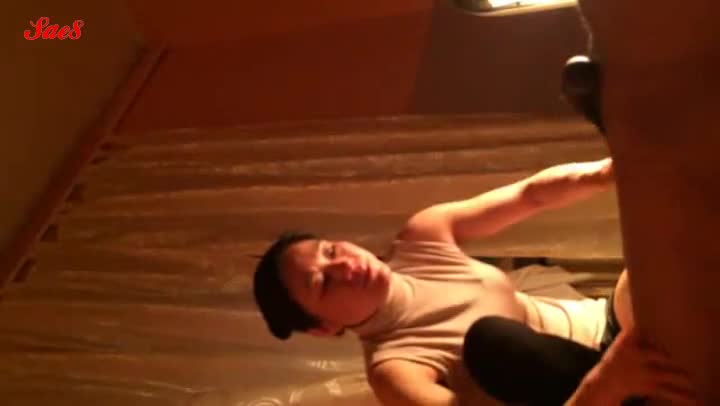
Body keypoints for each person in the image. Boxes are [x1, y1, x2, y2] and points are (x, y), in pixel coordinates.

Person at [253, 157, 693, 405]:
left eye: (331, 250)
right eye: (323, 283)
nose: (345, 266)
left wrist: (608, 172)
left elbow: (529, 195)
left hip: (607, 319)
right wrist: (608, 383)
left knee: (663, 244)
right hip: (594, 388)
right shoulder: (396, 370)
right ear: (324, 328)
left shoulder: (422, 237)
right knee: (492, 341)